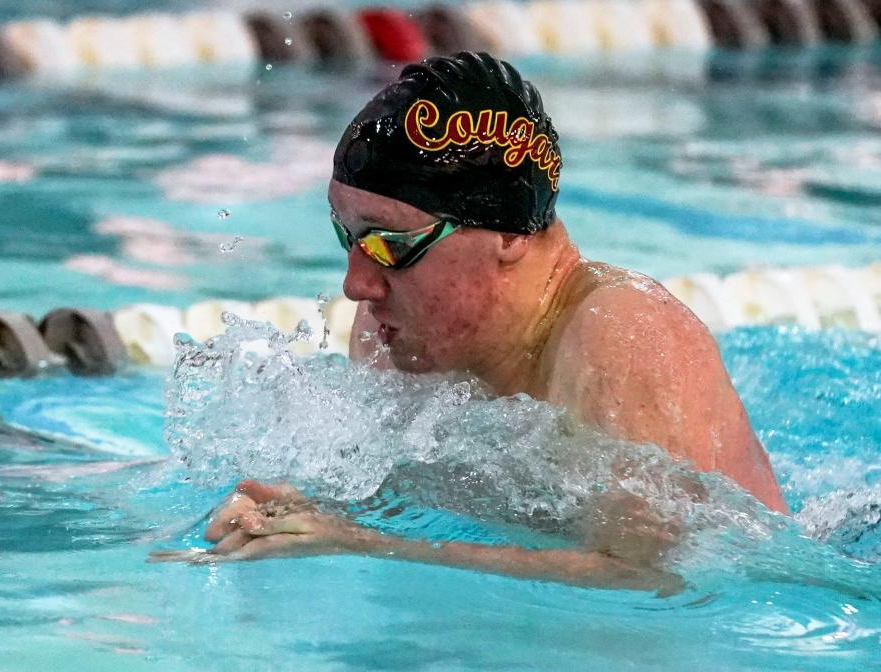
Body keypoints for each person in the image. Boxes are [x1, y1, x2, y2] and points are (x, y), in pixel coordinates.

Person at [152, 52, 787, 590]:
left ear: (508, 231)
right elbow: (390, 497)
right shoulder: (389, 333)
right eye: (347, 236)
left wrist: (364, 544)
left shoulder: (620, 333)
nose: (357, 285)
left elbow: (650, 579)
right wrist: (287, 514)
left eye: (391, 243)